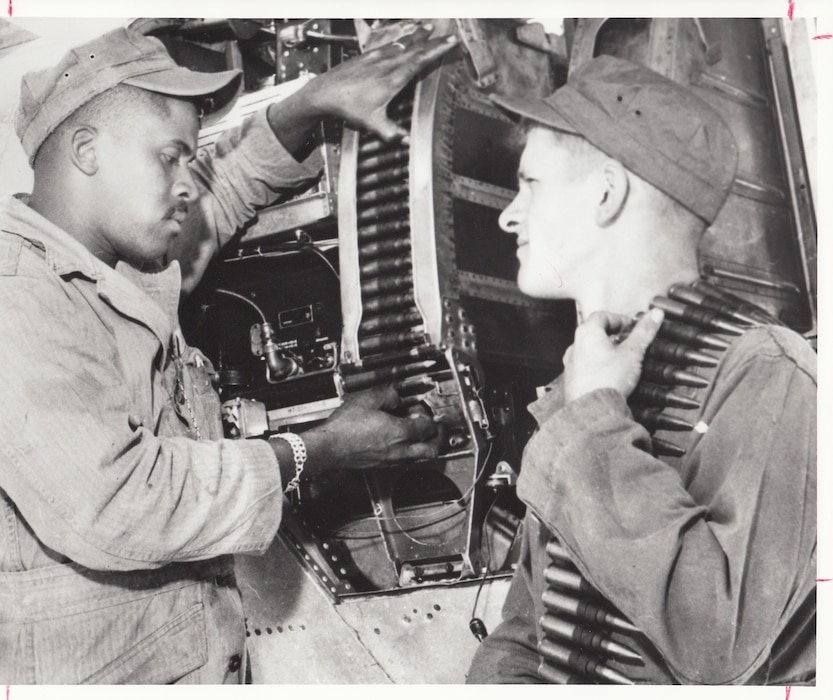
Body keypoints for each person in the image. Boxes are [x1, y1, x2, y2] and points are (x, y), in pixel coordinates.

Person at [0, 24, 458, 684]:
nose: (188, 183)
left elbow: (214, 205)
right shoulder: (16, 295)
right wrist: (317, 449)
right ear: (87, 151)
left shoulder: (112, 265)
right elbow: (121, 504)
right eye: (171, 157)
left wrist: (306, 108)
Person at [467, 55, 816, 685]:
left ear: (606, 192)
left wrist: (596, 425)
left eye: (531, 184)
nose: (508, 215)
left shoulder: (766, 373)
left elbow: (721, 645)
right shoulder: (588, 378)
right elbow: (530, 633)